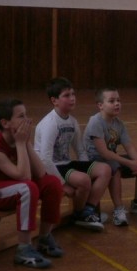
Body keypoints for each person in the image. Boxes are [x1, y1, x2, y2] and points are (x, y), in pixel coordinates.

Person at [0, 99, 65, 269]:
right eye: (21, 116)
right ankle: (24, 249)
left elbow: (40, 173)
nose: (27, 120)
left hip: (9, 186)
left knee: (52, 182)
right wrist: (21, 143)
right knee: (27, 189)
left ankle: (44, 237)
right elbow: (24, 177)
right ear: (5, 123)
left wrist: (26, 143)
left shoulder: (19, 140)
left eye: (26, 115)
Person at [34, 77, 111, 232]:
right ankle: (79, 215)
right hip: (51, 167)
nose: (72, 98)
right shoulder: (50, 123)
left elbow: (80, 150)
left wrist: (86, 168)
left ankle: (87, 210)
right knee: (83, 180)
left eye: (73, 94)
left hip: (65, 164)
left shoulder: (72, 121)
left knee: (105, 169)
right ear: (54, 100)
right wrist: (62, 184)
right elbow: (45, 159)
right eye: (67, 95)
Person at [83, 87, 137, 227]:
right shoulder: (95, 122)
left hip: (110, 159)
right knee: (114, 167)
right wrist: (129, 163)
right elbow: (104, 153)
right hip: (93, 162)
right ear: (100, 105)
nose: (117, 104)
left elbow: (129, 146)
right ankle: (118, 209)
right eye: (111, 101)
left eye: (118, 100)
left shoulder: (119, 124)